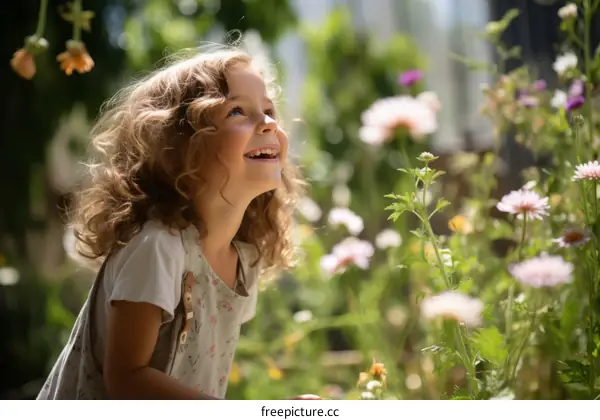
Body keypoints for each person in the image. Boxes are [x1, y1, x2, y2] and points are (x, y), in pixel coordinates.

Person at [37, 43, 317, 400]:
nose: (269, 123)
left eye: (267, 109)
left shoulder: (244, 259)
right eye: (237, 112)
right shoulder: (159, 247)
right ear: (180, 149)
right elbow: (126, 380)